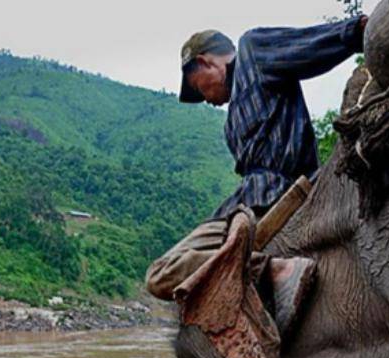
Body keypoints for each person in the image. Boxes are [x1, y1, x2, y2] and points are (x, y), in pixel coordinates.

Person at [146, 16, 367, 301]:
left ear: (206, 62)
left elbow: (309, 45)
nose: (208, 100)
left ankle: (270, 269)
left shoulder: (253, 51)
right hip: (244, 207)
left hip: (277, 195)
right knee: (162, 275)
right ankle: (259, 269)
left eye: (200, 89)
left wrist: (357, 31)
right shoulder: (231, 124)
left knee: (159, 272)